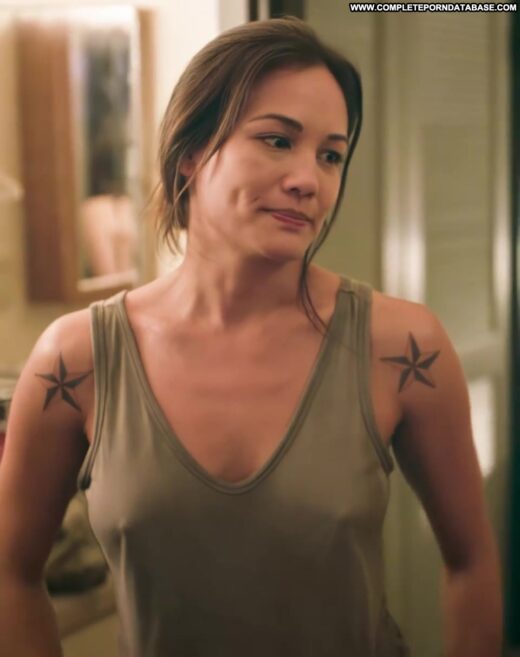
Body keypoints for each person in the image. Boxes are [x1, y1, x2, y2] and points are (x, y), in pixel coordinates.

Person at [0, 16, 503, 657]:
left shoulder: (401, 348)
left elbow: (471, 561)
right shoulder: (76, 360)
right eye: (277, 140)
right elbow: (12, 574)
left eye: (330, 155)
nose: (309, 179)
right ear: (190, 152)